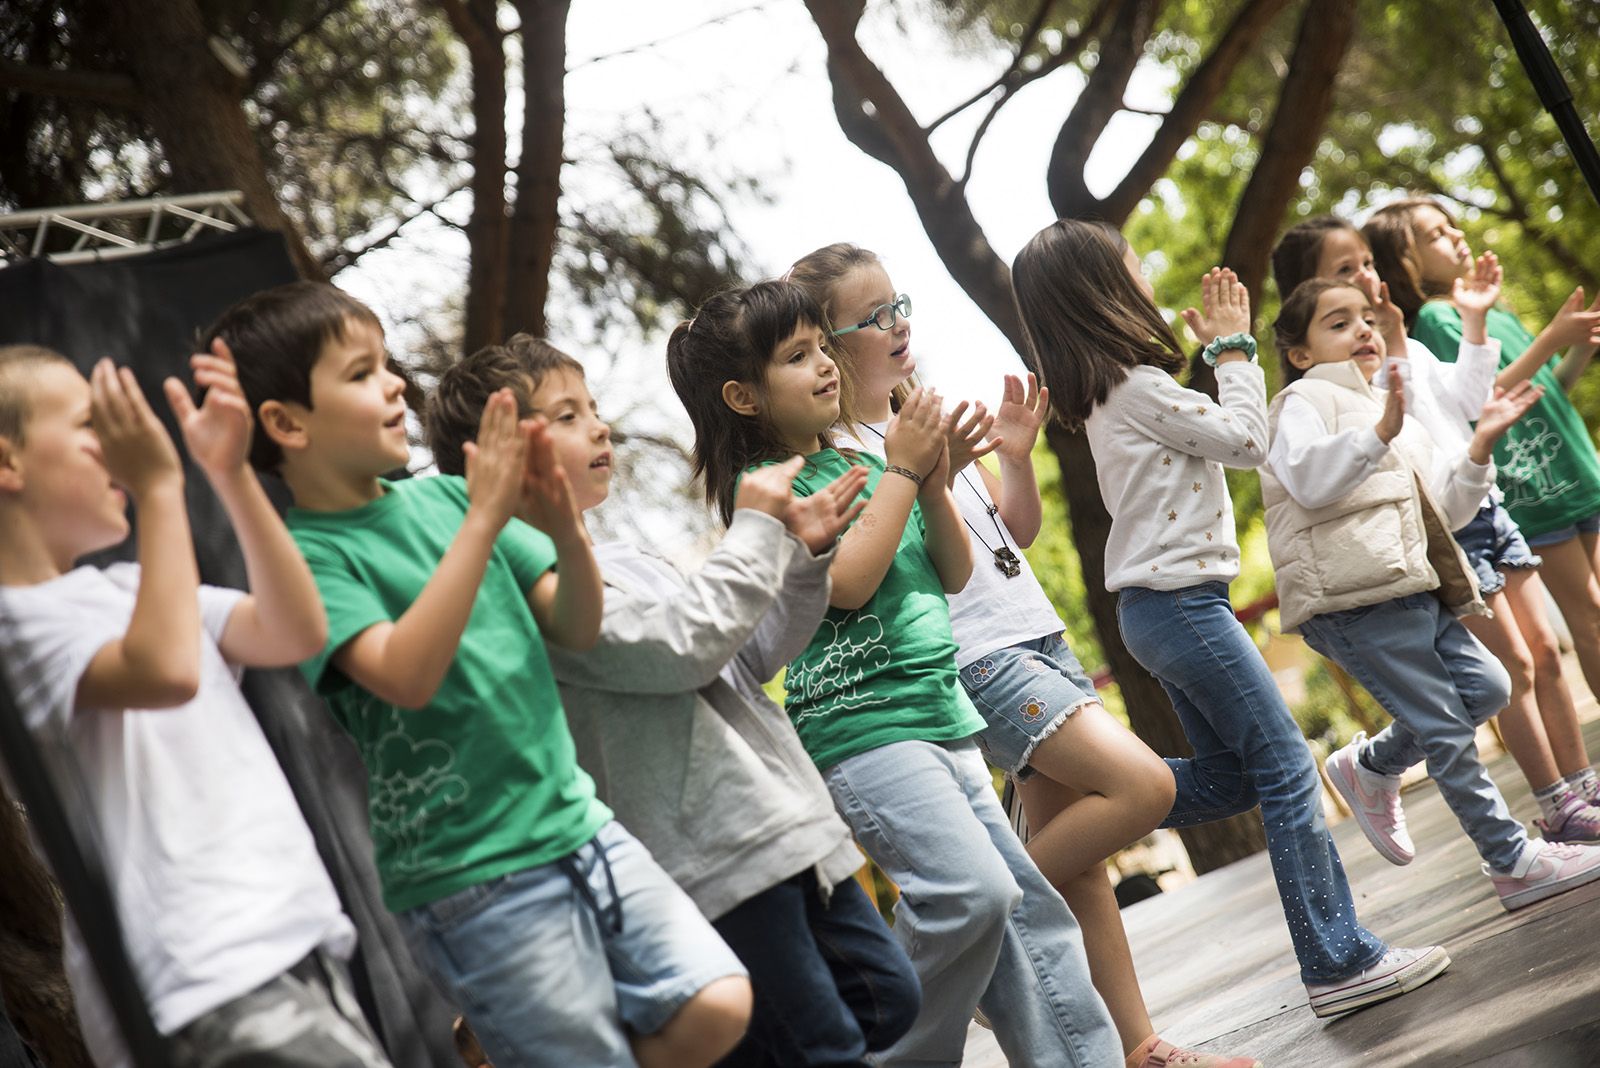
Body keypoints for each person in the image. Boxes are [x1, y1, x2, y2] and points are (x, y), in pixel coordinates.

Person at [215, 282, 751, 1068]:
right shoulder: (308, 558)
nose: (396, 382)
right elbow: (406, 674)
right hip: (473, 875)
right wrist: (482, 520)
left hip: (577, 823)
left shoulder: (450, 502)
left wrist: (562, 524)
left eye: (387, 364)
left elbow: (574, 621)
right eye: (361, 374)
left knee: (717, 1003)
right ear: (287, 423)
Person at [787, 243, 1258, 1068]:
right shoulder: (854, 454)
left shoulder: (921, 415)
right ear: (827, 342)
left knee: (1083, 873)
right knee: (1142, 785)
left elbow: (1008, 539)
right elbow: (904, 576)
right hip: (980, 658)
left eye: (903, 307)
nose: (899, 326)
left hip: (1036, 636)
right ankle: (960, 925)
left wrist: (1010, 458)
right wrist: (920, 472)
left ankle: (1137, 1045)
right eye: (875, 317)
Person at [422, 334, 922, 1067]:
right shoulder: (532, 592)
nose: (599, 427)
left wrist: (801, 560)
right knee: (823, 1045)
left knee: (886, 998)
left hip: (776, 826)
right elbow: (679, 647)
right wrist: (754, 531)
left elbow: (740, 656)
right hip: (707, 860)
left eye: (593, 408)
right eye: (566, 416)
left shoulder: (624, 559)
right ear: (493, 458)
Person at [666, 279, 1121, 1067]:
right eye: (796, 357)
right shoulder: (765, 492)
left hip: (938, 712)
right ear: (742, 397)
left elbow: (949, 570)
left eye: (821, 348)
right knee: (971, 898)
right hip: (862, 729)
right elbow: (846, 582)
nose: (825, 366)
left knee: (1019, 907)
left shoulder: (862, 459)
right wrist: (905, 475)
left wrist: (935, 483)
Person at [1011, 218, 1448, 1018]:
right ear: (1101, 293)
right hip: (1179, 606)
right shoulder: (1135, 389)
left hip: (1167, 609)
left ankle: (1092, 794)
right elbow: (1250, 439)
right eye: (1131, 263)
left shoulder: (1118, 391)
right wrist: (1235, 350)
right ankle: (1338, 961)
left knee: (1232, 778)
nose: (1145, 271)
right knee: (1285, 766)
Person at [0, 342, 389, 1067]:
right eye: (91, 426)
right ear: (9, 463)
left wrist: (229, 473)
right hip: (201, 979)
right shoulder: (13, 625)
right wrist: (158, 488)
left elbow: (293, 628)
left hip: (283, 948)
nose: (120, 448)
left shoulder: (125, 590)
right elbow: (166, 669)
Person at [1264, 276, 1600, 910]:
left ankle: (1374, 765)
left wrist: (1478, 449)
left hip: (1414, 586)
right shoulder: (1301, 400)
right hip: (1352, 598)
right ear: (1301, 352)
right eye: (1338, 323)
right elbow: (1307, 479)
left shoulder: (1391, 407)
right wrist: (1378, 432)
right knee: (1447, 727)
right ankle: (1512, 861)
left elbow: (1445, 507)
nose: (1363, 328)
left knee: (1489, 688)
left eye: (1366, 318)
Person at [1364, 198, 1600, 815]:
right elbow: (1482, 399)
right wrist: (1553, 336)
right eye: (1435, 234)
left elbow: (1537, 389)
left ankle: (1577, 787)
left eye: (1451, 225)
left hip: (1543, 483)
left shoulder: (1466, 312)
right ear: (1405, 262)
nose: (1456, 236)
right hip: (1508, 495)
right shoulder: (1435, 325)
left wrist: (1572, 346)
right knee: (1539, 651)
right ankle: (1558, 800)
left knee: (1553, 647)